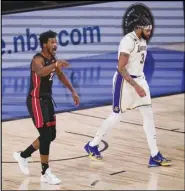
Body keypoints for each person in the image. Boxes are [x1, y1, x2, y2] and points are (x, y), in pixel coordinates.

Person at [84, 15, 172, 167]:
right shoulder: (128, 41)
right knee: (117, 115)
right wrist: (136, 86)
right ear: (139, 28)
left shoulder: (142, 40)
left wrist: (140, 83)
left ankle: (154, 155)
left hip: (139, 79)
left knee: (149, 115)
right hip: (124, 82)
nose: (150, 33)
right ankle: (92, 145)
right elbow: (121, 68)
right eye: (147, 30)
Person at [13, 30, 80, 184]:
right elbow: (41, 72)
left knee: (51, 135)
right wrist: (56, 64)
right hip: (35, 100)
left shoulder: (52, 58)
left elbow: (60, 75)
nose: (55, 44)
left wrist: (73, 91)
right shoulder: (37, 59)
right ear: (45, 44)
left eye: (55, 41)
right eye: (52, 42)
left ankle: (23, 156)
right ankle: (45, 172)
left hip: (47, 100)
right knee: (45, 135)